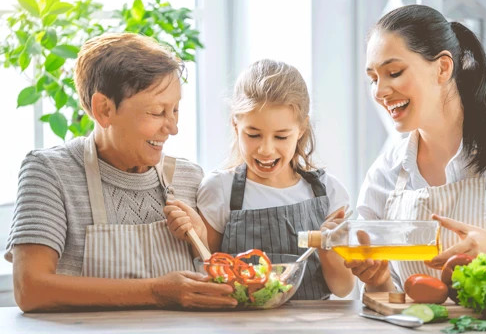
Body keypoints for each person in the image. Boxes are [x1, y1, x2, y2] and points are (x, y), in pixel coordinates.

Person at [5, 33, 236, 312]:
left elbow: (219, 281)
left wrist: (202, 240)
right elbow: (30, 289)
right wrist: (155, 292)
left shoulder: (189, 176)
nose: (173, 127)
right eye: (157, 112)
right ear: (104, 110)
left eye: (175, 109)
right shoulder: (50, 172)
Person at [346, 4, 486, 293]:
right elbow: (389, 300)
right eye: (374, 78)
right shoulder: (385, 174)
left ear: (443, 67)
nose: (379, 91)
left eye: (394, 72)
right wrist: (378, 280)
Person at [167, 59, 355, 299]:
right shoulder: (220, 189)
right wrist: (198, 236)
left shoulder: (328, 191)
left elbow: (343, 288)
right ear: (235, 125)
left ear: (301, 130)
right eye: (253, 134)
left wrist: (328, 245)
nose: (266, 149)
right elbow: (210, 271)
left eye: (281, 136)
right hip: (242, 323)